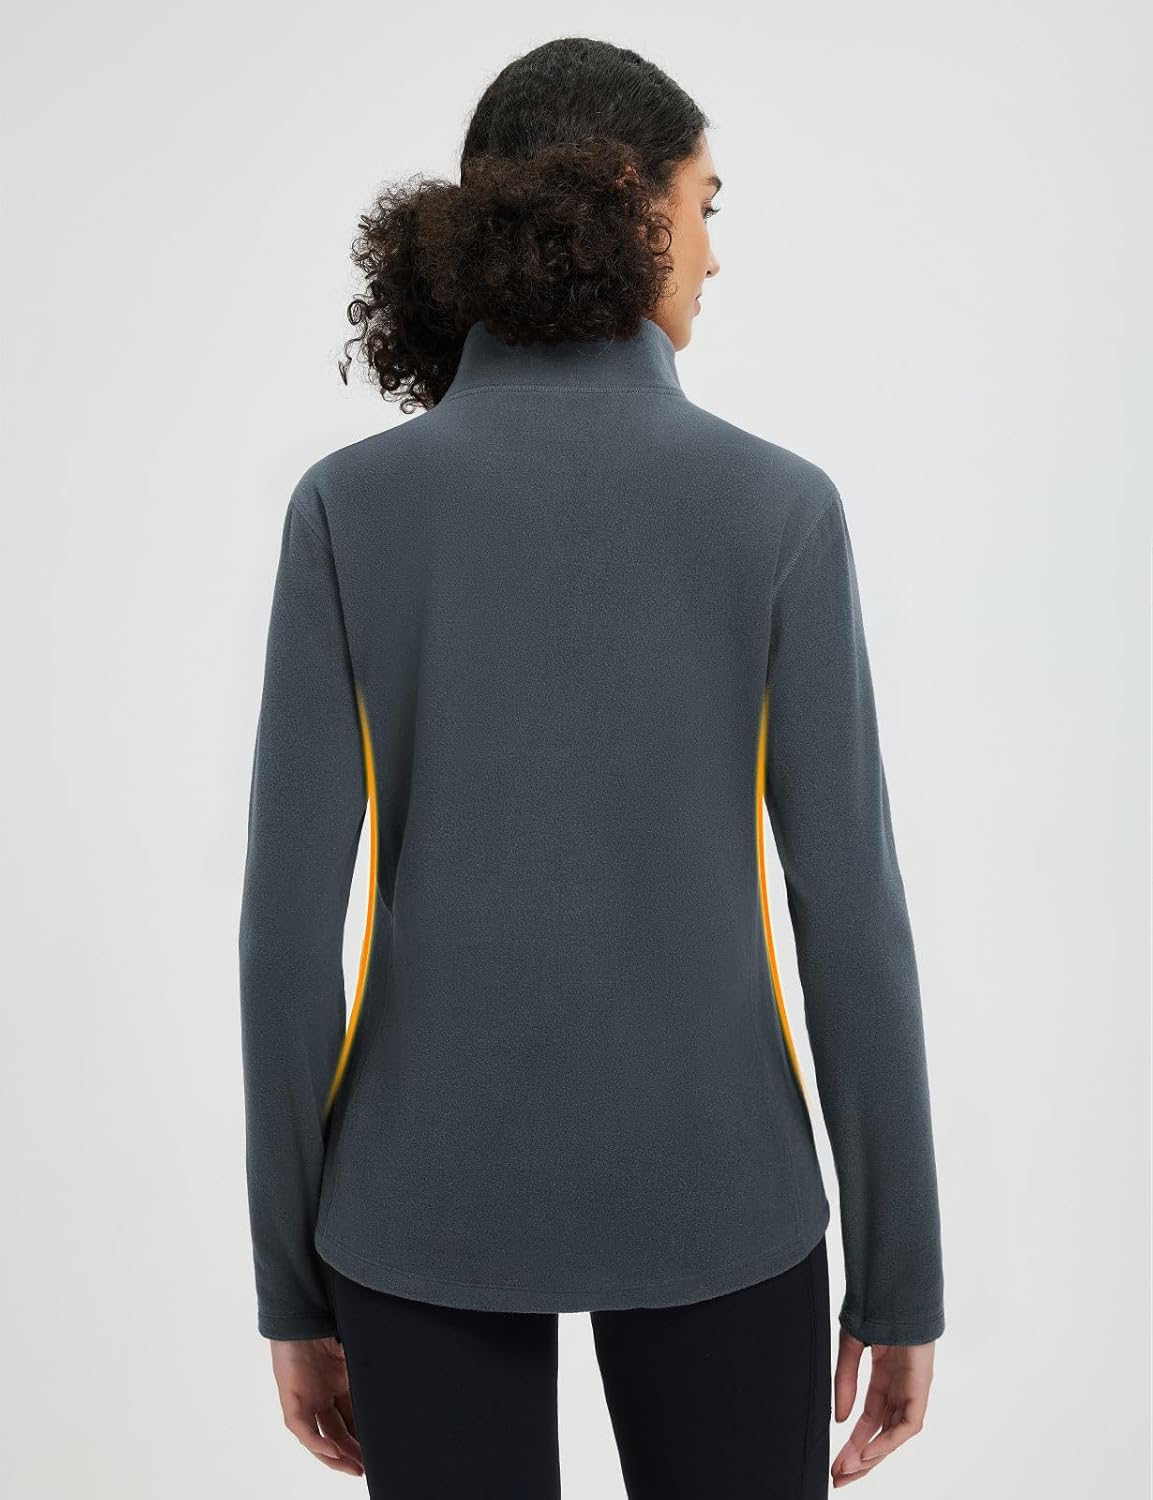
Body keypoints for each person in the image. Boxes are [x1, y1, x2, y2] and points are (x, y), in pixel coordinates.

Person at [238, 35, 945, 1499]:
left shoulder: (349, 511)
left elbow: (284, 942)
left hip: (412, 1213)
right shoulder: (777, 510)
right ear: (629, 201)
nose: (714, 253)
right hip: (723, 1196)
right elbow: (852, 921)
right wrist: (900, 1274)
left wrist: (290, 1288)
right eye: (705, 204)